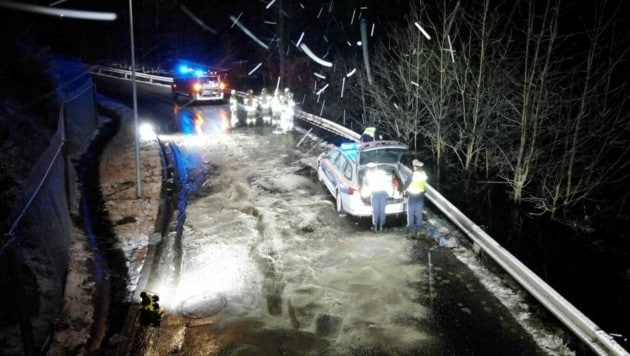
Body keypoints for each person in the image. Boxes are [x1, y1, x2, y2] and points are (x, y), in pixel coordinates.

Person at [364, 162, 392, 232]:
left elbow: (367, 184)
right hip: (379, 193)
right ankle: (378, 226)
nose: (370, 169)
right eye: (369, 168)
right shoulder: (381, 173)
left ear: (374, 167)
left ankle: (378, 226)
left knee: (378, 210)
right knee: (378, 210)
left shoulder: (369, 174)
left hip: (378, 193)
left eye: (371, 168)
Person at [405, 159, 428, 238]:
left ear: (415, 167)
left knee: (410, 213)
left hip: (412, 196)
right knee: (418, 213)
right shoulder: (424, 174)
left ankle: (410, 230)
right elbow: (423, 185)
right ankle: (419, 230)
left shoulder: (412, 175)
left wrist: (405, 191)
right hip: (420, 195)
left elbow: (406, 184)